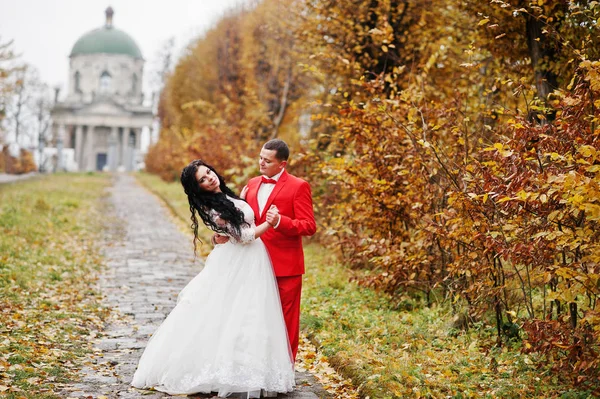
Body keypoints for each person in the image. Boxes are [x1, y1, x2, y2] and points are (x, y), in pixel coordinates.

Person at [131, 159, 295, 398]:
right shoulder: (212, 207)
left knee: (249, 313)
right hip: (238, 260)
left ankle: (248, 369)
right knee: (226, 311)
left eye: (208, 172)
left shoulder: (227, 196)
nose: (210, 178)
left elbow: (232, 229)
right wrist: (269, 224)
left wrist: (220, 234)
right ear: (198, 188)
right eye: (203, 179)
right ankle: (220, 370)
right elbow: (244, 236)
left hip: (251, 261)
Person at [214, 139, 317, 361]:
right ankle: (257, 367)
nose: (261, 163)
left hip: (285, 266)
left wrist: (281, 221)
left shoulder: (299, 186)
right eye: (260, 158)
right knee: (254, 318)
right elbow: (244, 223)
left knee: (285, 321)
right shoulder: (251, 184)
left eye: (267, 160)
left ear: (282, 164)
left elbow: (309, 226)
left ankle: (285, 370)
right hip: (251, 263)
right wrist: (223, 233)